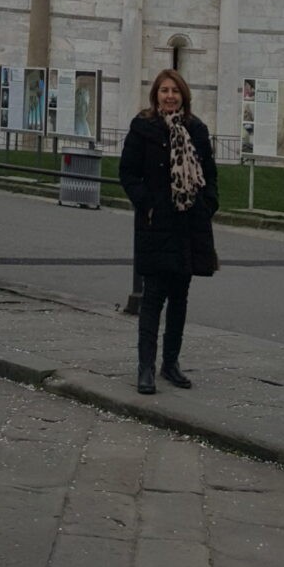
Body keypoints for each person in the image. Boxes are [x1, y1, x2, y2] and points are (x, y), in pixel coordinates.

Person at [119, 68, 219, 396]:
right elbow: (128, 172)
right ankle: (145, 367)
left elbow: (210, 174)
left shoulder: (196, 130)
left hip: (188, 224)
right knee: (152, 298)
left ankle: (170, 363)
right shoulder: (143, 128)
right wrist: (145, 202)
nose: (170, 96)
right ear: (156, 95)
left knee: (180, 298)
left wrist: (207, 204)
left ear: (183, 95)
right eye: (164, 90)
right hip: (156, 223)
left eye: (175, 91)